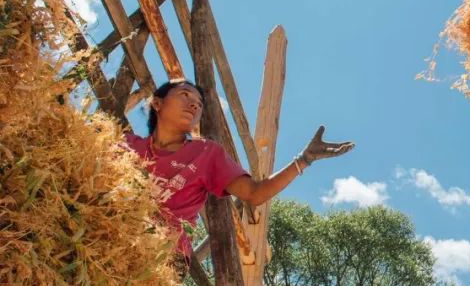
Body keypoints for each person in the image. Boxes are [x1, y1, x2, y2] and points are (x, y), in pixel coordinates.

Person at [124, 79, 354, 263]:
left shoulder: (206, 153)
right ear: (157, 103)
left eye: (199, 103)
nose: (194, 104)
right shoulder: (126, 145)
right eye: (185, 95)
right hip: (116, 237)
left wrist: (304, 160)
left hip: (163, 258)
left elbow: (254, 194)